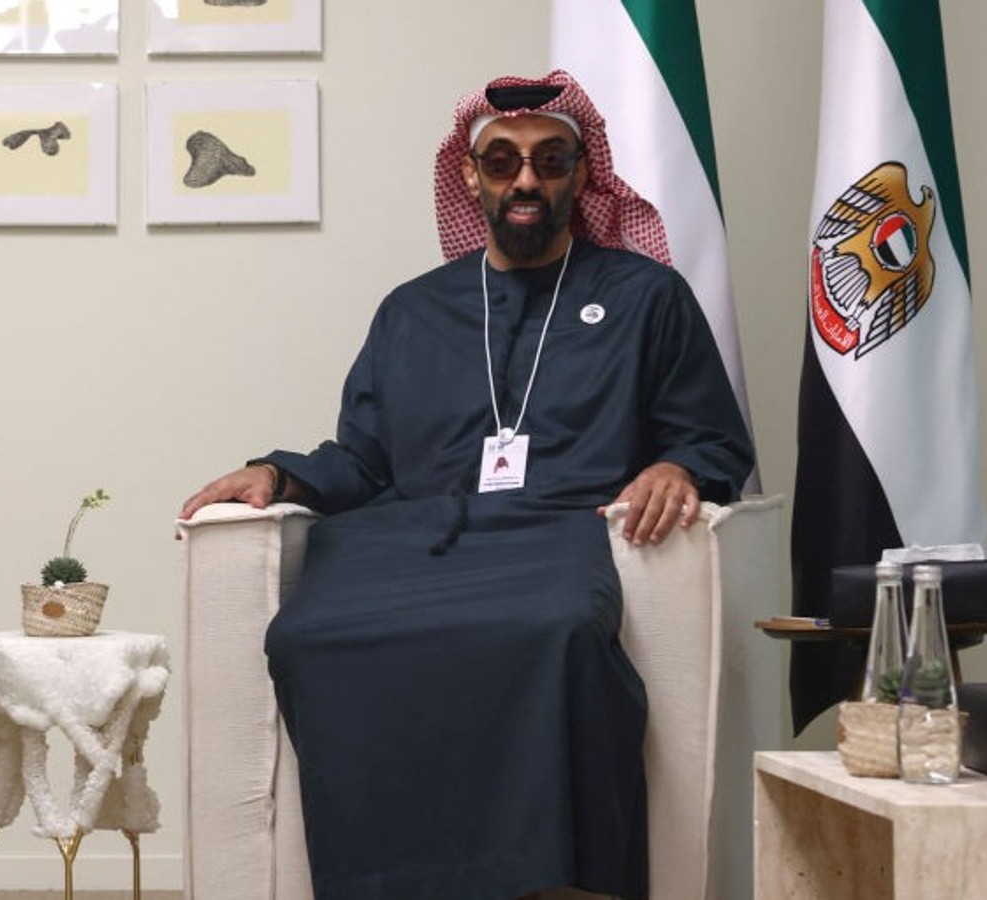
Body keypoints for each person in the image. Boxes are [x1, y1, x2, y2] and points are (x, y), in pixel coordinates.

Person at [179, 70, 754, 900]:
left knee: (557, 630)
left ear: (582, 175)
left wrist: (678, 465)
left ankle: (555, 884)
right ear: (470, 176)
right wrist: (277, 472)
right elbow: (363, 459)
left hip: (558, 535)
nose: (527, 181)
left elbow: (709, 433)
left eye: (550, 161)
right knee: (309, 636)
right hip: (406, 541)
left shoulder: (644, 297)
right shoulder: (412, 311)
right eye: (503, 162)